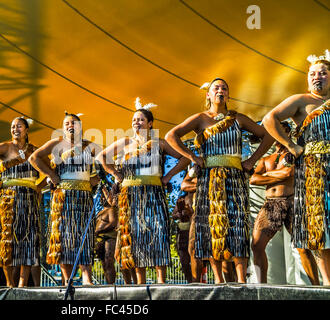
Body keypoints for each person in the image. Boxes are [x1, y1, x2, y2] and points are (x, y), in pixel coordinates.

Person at [165, 78, 273, 283]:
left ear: (228, 95)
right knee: (212, 225)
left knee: (237, 225)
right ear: (208, 95)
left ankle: (241, 279)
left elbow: (267, 136)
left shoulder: (238, 119)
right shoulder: (200, 118)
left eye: (224, 88)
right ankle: (218, 279)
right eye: (216, 88)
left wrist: (251, 160)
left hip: (235, 178)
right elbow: (172, 135)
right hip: (209, 179)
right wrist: (193, 157)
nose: (220, 91)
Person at [97, 98, 190, 284]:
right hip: (130, 196)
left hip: (154, 194)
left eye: (140, 119)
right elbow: (101, 156)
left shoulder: (160, 143)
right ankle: (140, 283)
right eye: (134, 120)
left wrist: (167, 176)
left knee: (158, 233)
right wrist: (114, 172)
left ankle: (161, 281)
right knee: (135, 235)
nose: (136, 123)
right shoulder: (125, 143)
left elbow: (185, 158)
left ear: (150, 123)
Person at [262, 50, 330, 285]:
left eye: (322, 73)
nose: (316, 77)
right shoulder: (302, 100)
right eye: (312, 73)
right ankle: (326, 285)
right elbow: (269, 119)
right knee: (318, 227)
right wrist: (291, 145)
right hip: (313, 172)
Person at [30, 112, 101, 286]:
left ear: (80, 127)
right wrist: (51, 174)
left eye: (74, 123)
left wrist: (93, 180)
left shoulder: (90, 145)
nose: (71, 126)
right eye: (67, 123)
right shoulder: (56, 144)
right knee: (64, 237)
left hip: (84, 195)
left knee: (84, 235)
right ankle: (66, 280)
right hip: (63, 195)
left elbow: (103, 168)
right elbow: (34, 158)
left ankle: (87, 278)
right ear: (63, 128)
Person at [250, 121, 320, 284]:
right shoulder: (266, 159)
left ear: (287, 133)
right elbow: (253, 179)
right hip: (271, 204)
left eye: (279, 131)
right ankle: (262, 287)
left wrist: (268, 176)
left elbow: (290, 172)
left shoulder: (295, 152)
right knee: (256, 245)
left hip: (292, 201)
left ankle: (315, 286)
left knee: (303, 247)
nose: (274, 135)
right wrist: (279, 174)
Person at [0, 117, 42, 288]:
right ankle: (10, 283)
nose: (15, 129)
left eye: (19, 126)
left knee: (28, 238)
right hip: (8, 199)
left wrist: (38, 187)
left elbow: (51, 170)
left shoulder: (34, 151)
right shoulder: (5, 147)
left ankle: (22, 282)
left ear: (27, 129)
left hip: (29, 198)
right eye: (12, 126)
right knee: (7, 238)